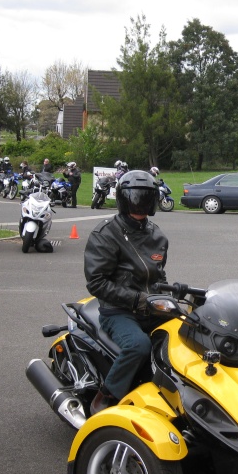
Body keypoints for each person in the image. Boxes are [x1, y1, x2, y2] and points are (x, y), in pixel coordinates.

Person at [83, 170, 167, 414]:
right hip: (117, 310)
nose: (140, 203)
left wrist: (170, 297)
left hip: (151, 306)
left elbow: (159, 276)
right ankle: (108, 393)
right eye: (135, 197)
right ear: (123, 199)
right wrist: (137, 299)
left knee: (188, 331)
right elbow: (96, 282)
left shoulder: (157, 235)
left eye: (146, 198)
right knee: (138, 345)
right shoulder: (106, 233)